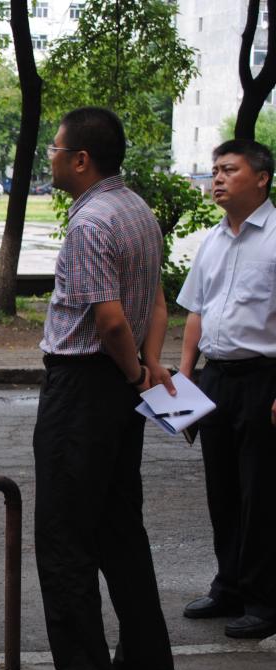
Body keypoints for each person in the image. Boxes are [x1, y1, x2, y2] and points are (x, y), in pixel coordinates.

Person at [33, 106, 173, 670]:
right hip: (119, 384)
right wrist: (148, 365)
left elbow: (111, 320)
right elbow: (157, 303)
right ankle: (145, 656)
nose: (50, 157)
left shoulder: (90, 223)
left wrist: (136, 371)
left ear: (81, 160)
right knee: (119, 524)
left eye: (56, 149)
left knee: (64, 534)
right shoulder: (137, 209)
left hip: (84, 387)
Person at [176, 139, 276, 640]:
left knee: (262, 493)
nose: (217, 178)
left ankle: (264, 599)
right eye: (215, 170)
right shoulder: (213, 240)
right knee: (222, 489)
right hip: (215, 377)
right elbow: (197, 311)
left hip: (264, 377)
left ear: (261, 177)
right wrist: (184, 379)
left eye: (229, 170)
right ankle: (229, 586)